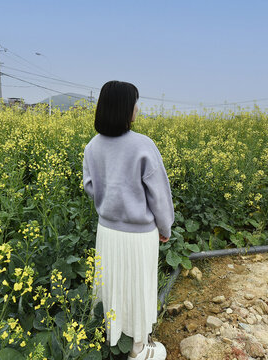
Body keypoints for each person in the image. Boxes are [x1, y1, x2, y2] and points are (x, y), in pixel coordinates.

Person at [83, 80, 174, 360]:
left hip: (107, 232)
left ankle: (109, 336)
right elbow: (159, 194)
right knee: (139, 285)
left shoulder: (92, 147)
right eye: (135, 101)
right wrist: (164, 227)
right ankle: (138, 349)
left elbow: (89, 187)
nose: (138, 107)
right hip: (139, 234)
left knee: (110, 284)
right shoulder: (143, 145)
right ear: (125, 108)